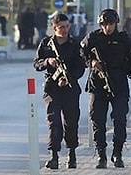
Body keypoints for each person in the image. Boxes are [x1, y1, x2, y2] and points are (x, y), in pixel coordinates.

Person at [80, 9, 131, 169]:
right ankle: (101, 154)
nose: (108, 27)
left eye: (111, 24)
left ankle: (118, 153)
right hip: (97, 83)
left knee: (120, 119)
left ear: (116, 24)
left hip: (119, 83)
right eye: (104, 24)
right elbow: (80, 53)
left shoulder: (124, 40)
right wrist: (91, 62)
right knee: (97, 119)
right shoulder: (93, 38)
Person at [34, 13, 86, 169]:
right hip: (52, 89)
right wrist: (47, 61)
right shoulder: (46, 44)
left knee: (71, 122)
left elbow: (80, 67)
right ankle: (54, 156)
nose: (64, 30)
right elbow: (36, 64)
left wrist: (69, 78)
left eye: (66, 26)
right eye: (61, 27)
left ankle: (72, 155)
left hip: (69, 88)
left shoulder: (75, 44)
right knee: (54, 122)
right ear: (54, 28)